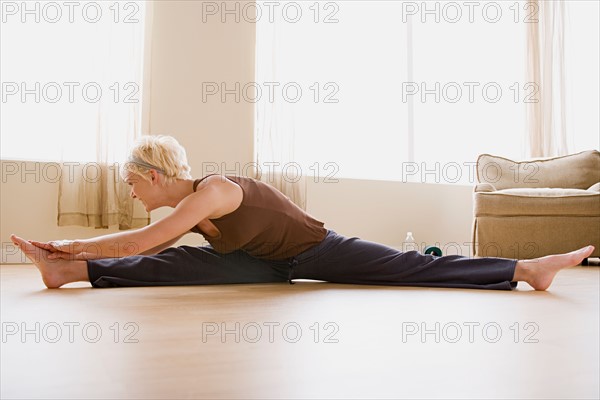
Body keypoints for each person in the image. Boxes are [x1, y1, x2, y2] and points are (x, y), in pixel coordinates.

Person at [10, 135, 594, 291]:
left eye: (134, 183)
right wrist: (75, 258)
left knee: (407, 265)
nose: (132, 192)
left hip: (316, 250)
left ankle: (523, 269)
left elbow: (140, 238)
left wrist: (71, 242)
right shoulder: (191, 209)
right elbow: (151, 245)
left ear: (156, 176)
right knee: (174, 262)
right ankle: (70, 276)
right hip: (259, 263)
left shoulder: (211, 191)